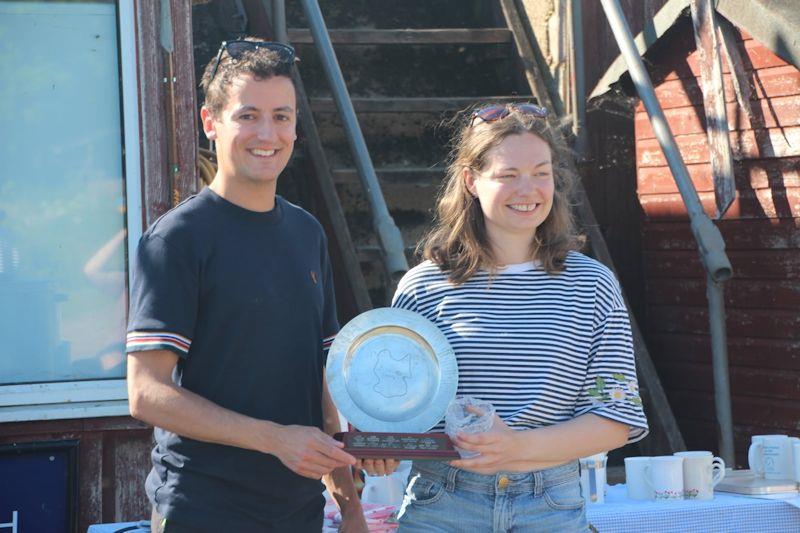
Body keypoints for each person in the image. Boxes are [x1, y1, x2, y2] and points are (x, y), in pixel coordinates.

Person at [370, 103, 649, 532]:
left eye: (541, 172)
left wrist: (516, 446)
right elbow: (393, 408)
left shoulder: (592, 284)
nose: (529, 189)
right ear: (471, 181)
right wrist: (378, 440)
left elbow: (616, 418)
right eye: (507, 175)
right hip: (444, 501)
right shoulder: (423, 287)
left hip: (550, 504)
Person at [126, 37, 367, 532]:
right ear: (210, 122)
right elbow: (145, 394)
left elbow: (322, 383)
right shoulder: (177, 239)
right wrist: (275, 439)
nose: (267, 133)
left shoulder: (307, 233)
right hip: (202, 510)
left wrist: (351, 507)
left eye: (282, 116)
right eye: (248, 115)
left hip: (298, 510)